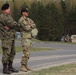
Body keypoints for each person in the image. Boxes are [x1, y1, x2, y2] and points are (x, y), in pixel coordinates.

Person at [0, 3, 19, 74]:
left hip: (11, 37)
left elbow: (12, 24)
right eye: (8, 9)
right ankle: (5, 68)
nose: (9, 10)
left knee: (12, 52)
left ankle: (10, 67)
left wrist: (12, 25)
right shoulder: (2, 17)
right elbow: (12, 24)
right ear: (4, 10)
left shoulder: (8, 16)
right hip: (6, 38)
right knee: (6, 52)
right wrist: (14, 24)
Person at [18, 7, 38, 72]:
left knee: (28, 53)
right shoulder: (21, 20)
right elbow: (27, 28)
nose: (27, 13)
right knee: (25, 52)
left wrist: (30, 25)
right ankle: (22, 66)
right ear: (23, 13)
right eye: (26, 12)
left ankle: (25, 65)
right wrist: (30, 26)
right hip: (25, 38)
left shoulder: (28, 19)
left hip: (29, 37)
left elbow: (34, 25)